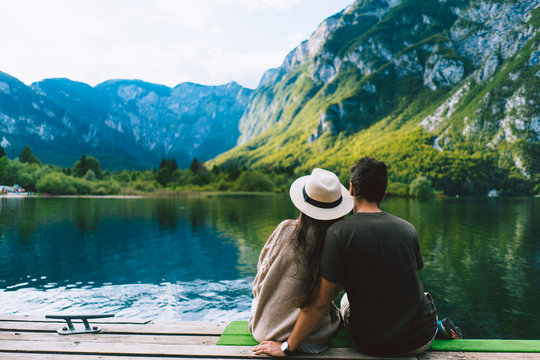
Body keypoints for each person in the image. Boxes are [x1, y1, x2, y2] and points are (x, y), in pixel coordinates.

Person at [253, 157, 461, 357]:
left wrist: (287, 348)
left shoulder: (338, 233)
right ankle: (438, 328)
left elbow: (319, 302)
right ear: (384, 194)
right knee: (416, 294)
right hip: (421, 339)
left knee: (346, 301)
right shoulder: (408, 229)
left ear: (351, 188)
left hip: (373, 344)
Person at [249, 168, 354, 354]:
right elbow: (328, 296)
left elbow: (261, 275)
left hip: (263, 329)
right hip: (310, 339)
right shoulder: (337, 243)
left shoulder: (284, 229)